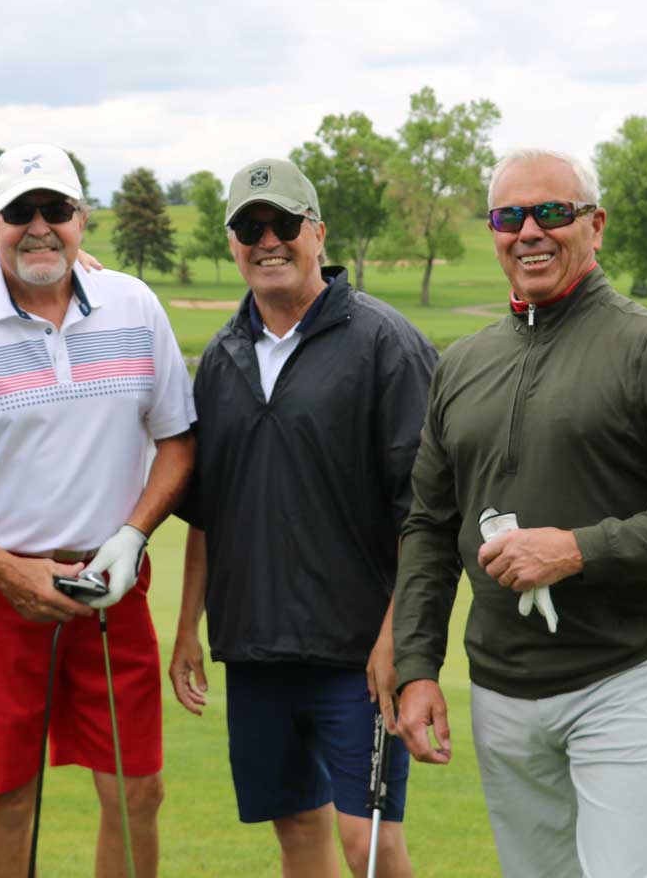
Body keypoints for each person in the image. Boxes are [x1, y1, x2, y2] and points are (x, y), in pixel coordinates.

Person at [393, 147, 647, 878]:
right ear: (493, 232)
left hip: (626, 668)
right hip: (500, 680)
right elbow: (430, 529)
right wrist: (416, 667)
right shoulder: (461, 365)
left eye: (552, 213)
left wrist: (578, 549)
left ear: (595, 225)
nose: (529, 231)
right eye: (509, 216)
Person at [0, 142, 195, 878]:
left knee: (137, 791)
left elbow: (177, 440)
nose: (39, 227)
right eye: (20, 212)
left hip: (112, 583)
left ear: (81, 219)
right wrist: (6, 573)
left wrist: (133, 536)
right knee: (7, 798)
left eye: (55, 210)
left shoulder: (134, 305)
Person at [168, 157, 436, 878]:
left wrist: (396, 643)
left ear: (317, 232)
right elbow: (205, 512)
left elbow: (425, 517)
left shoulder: (387, 345)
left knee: (368, 846)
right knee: (295, 830)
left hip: (358, 657)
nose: (268, 240)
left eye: (284, 224)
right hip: (255, 650)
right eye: (249, 228)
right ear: (232, 243)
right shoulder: (221, 357)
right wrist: (188, 627)